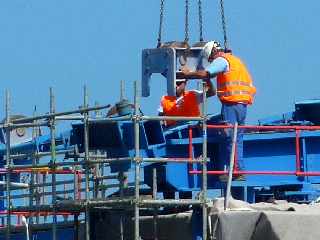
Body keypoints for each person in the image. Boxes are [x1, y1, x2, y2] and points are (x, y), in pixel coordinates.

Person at [177, 40, 256, 180]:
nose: (211, 61)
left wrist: (187, 75)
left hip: (231, 105)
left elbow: (206, 74)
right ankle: (239, 170)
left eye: (210, 58)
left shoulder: (222, 60)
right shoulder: (235, 60)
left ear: (213, 52)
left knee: (229, 137)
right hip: (242, 105)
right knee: (237, 138)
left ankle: (233, 171)